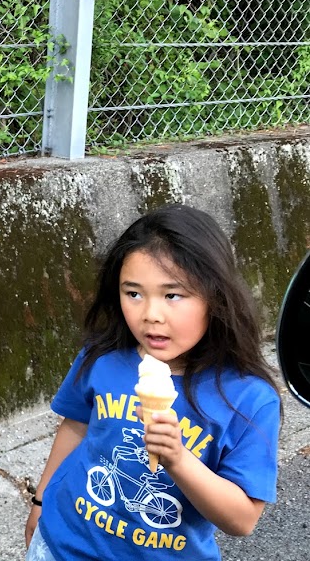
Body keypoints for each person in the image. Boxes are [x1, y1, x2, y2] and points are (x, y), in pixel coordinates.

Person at [25, 204, 281, 561]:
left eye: (172, 295)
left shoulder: (249, 399)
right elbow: (75, 427)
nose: (150, 315)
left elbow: (242, 520)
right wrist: (40, 500)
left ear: (215, 296)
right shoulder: (103, 357)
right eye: (133, 293)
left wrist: (177, 458)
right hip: (60, 544)